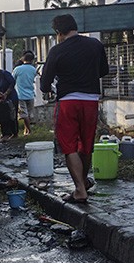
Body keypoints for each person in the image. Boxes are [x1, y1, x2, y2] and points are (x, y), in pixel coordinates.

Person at [40, 14, 108, 204]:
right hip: (91, 100)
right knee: (86, 145)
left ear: (58, 32)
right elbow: (104, 70)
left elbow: (45, 85)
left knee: (69, 146)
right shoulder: (95, 45)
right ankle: (83, 183)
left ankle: (79, 189)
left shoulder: (57, 51)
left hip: (68, 101)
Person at [0, 64, 19, 140]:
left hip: (11, 97)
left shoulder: (4, 74)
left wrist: (6, 93)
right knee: (2, 116)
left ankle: (14, 132)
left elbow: (12, 83)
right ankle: (5, 133)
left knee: (12, 115)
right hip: (0, 99)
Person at [12, 51, 38, 136]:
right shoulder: (33, 69)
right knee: (29, 114)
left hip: (20, 95)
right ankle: (26, 130)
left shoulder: (17, 69)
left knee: (24, 114)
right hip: (30, 94)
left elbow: (12, 80)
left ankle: (29, 131)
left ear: (23, 59)